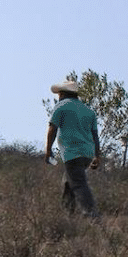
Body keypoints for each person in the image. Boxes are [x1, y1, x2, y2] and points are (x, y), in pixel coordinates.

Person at [45, 79, 101, 217]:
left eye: (59, 94)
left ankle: (91, 214)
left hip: (72, 153)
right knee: (69, 183)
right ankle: (68, 214)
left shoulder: (61, 106)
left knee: (79, 184)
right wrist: (97, 156)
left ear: (63, 94)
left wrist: (48, 151)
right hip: (87, 154)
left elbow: (52, 129)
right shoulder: (88, 111)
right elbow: (95, 136)